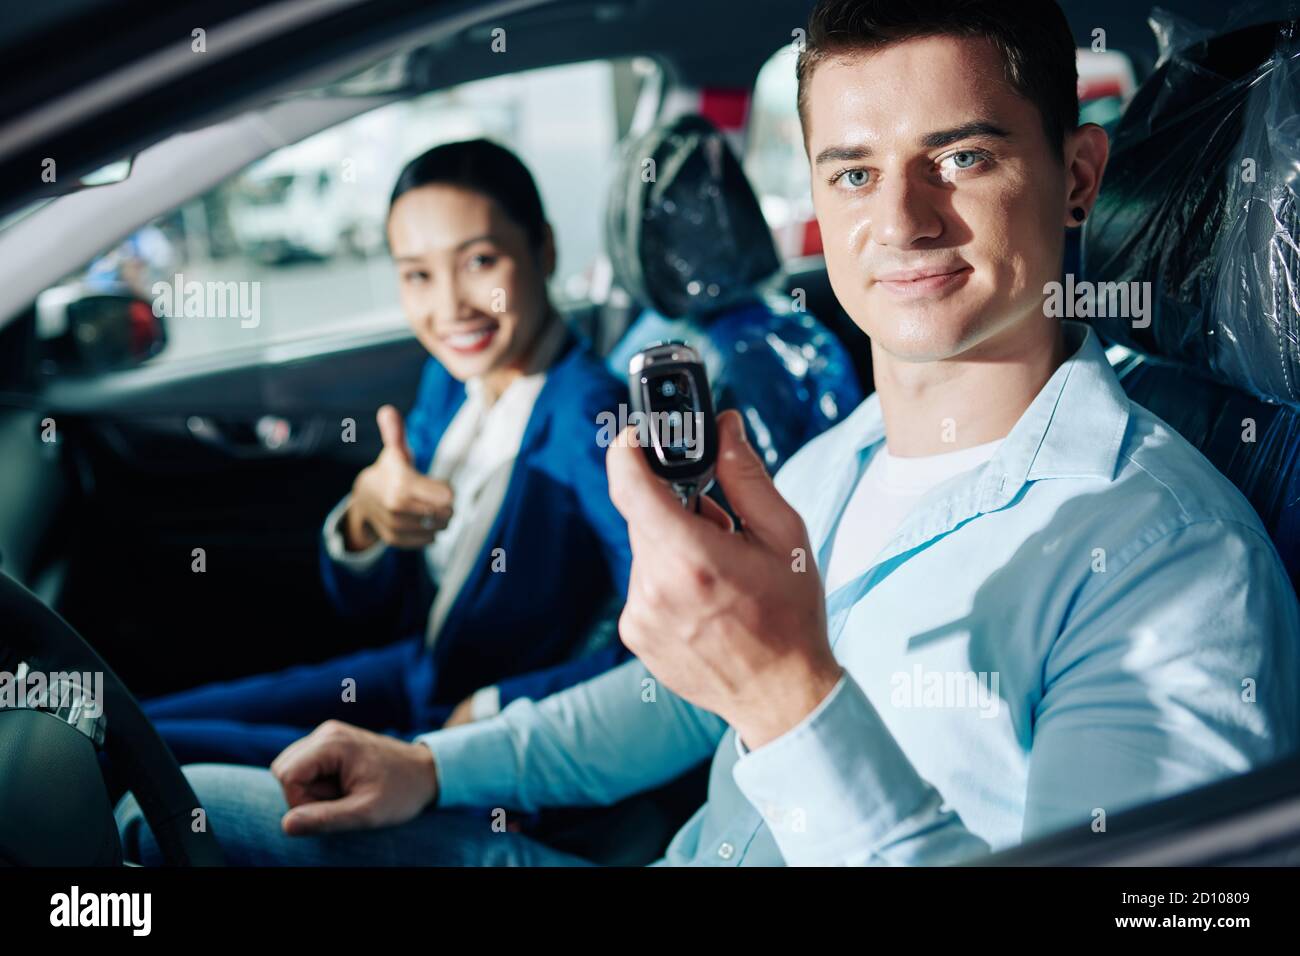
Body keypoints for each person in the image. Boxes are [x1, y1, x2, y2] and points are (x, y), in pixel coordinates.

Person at [118, 0, 1299, 865]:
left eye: (963, 156)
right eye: (850, 174)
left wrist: (792, 699)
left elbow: (759, 697)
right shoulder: (831, 462)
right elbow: (681, 699)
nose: (900, 220)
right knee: (185, 820)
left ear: (1079, 174)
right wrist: (434, 764)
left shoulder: (1170, 566)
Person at [138, 139, 633, 767]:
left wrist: (500, 708)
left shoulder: (593, 418)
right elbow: (370, 609)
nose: (449, 307)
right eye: (418, 274)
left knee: (146, 756)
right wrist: (367, 519)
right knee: (131, 722)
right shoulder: (453, 380)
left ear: (544, 250)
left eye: (479, 261)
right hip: (416, 670)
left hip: (471, 746)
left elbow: (664, 636)